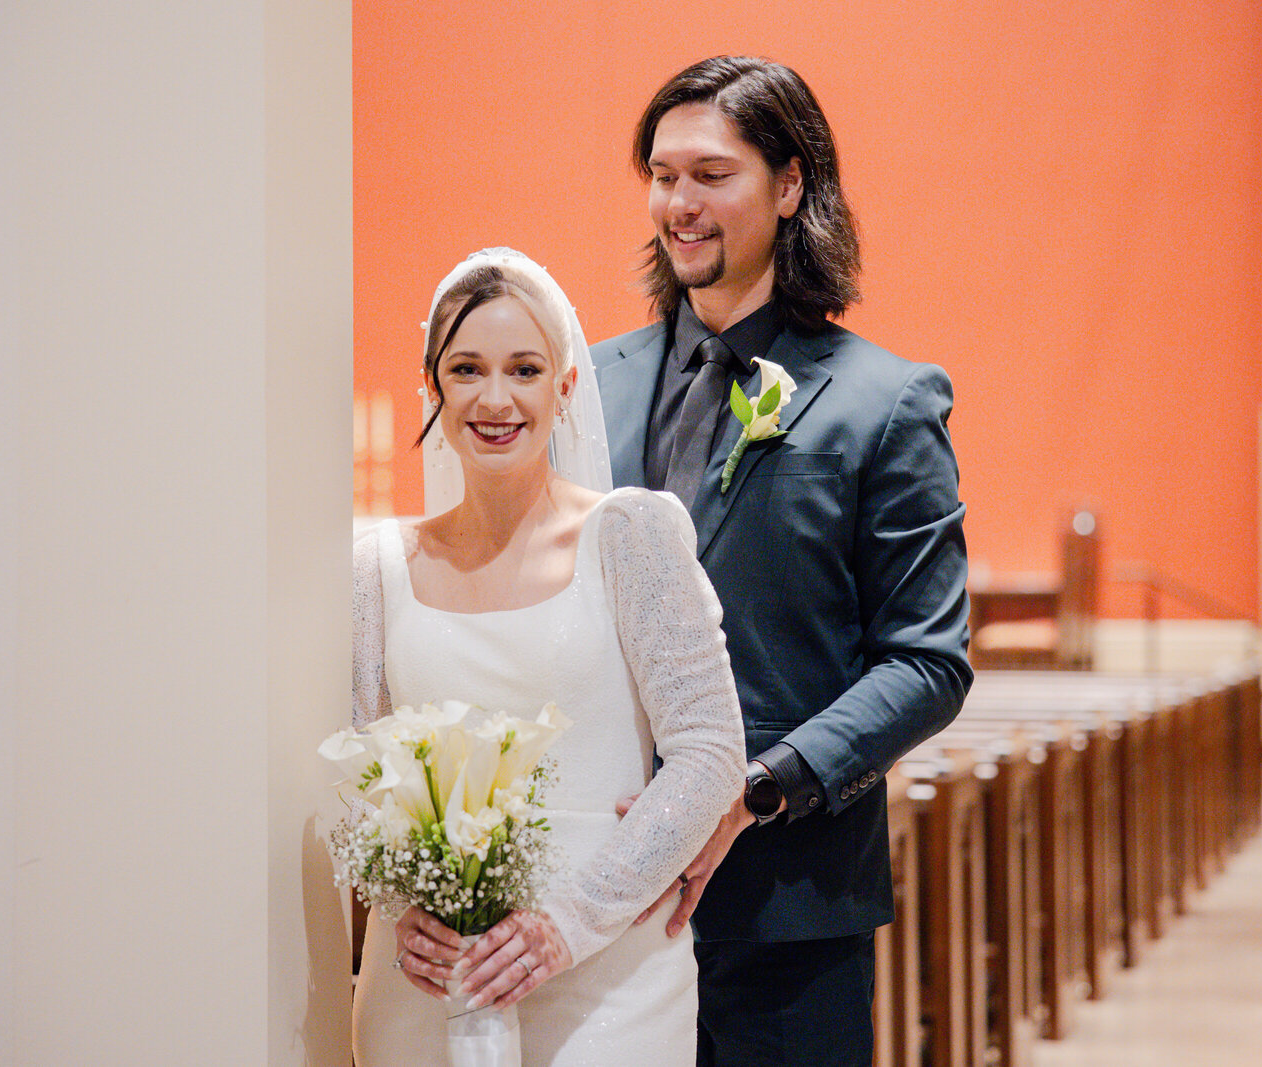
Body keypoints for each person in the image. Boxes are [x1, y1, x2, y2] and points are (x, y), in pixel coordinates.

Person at [591, 57, 972, 1065]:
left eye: (709, 175)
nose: (679, 203)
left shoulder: (881, 403)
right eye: (662, 175)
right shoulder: (588, 385)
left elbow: (928, 662)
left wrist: (754, 786)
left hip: (785, 908)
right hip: (599, 899)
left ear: (790, 183)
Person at [350, 247, 745, 1066]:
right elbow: (352, 765)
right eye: (467, 369)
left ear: (564, 388)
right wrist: (399, 902)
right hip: (432, 976)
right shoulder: (376, 565)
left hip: (610, 975)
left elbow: (710, 751)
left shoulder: (630, 535)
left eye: (524, 369)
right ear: (434, 385)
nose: (496, 398)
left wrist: (564, 925)